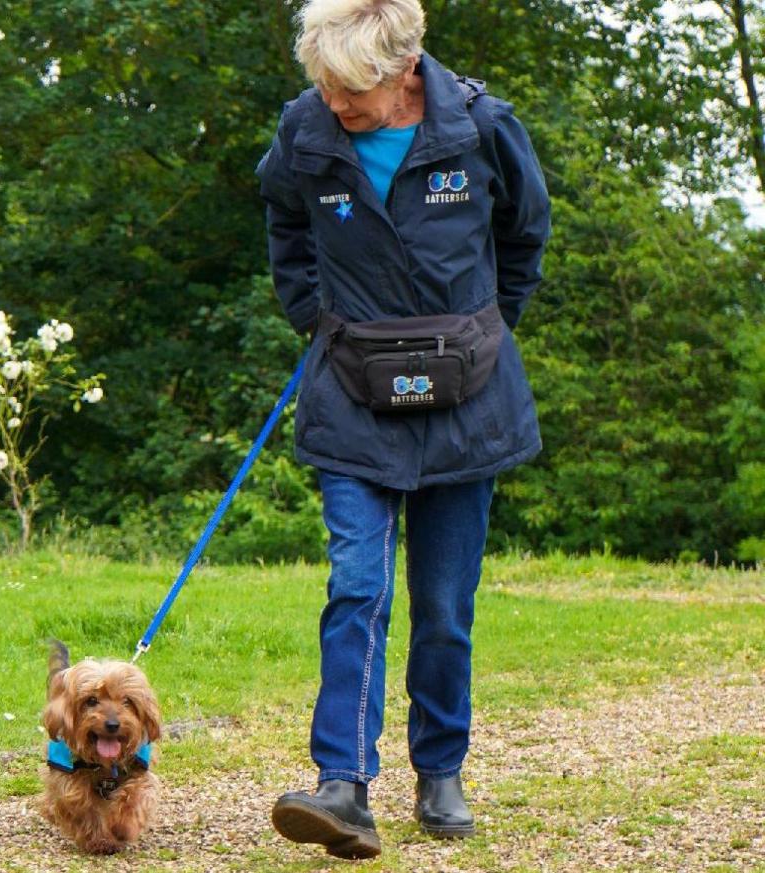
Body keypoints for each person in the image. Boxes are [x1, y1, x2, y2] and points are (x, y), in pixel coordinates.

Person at [253, 0, 551, 860]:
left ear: (402, 70)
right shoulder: (306, 131)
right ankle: (343, 782)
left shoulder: (483, 127)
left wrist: (486, 332)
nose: (335, 105)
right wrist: (313, 314)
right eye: (324, 86)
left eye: (351, 90)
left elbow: (526, 233)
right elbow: (282, 222)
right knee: (357, 586)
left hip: (469, 400)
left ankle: (441, 768)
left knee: (446, 606)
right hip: (353, 394)